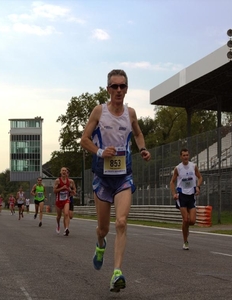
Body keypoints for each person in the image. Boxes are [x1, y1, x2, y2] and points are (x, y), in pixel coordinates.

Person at [80, 69, 151, 292]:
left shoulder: (130, 114)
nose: (118, 90)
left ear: (126, 89)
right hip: (102, 178)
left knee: (121, 222)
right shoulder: (99, 112)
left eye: (122, 86)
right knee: (103, 229)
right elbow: (84, 139)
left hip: (123, 178)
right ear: (108, 89)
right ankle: (100, 245)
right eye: (114, 86)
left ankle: (117, 272)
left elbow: (138, 134)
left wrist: (143, 149)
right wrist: (101, 152)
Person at [170, 148, 202, 250]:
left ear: (189, 156)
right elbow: (172, 182)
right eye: (183, 155)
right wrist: (174, 193)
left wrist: (198, 186)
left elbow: (200, 177)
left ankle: (185, 227)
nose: (185, 157)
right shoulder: (178, 168)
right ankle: (185, 241)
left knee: (192, 221)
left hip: (191, 195)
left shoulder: (193, 166)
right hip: (182, 195)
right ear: (181, 157)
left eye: (187, 155)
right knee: (186, 219)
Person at [53, 167, 72, 236]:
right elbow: (54, 191)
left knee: (66, 213)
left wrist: (70, 190)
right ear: (60, 172)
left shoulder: (69, 181)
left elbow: (71, 190)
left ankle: (66, 229)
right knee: (59, 216)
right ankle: (58, 224)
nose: (64, 172)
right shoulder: (57, 181)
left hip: (66, 200)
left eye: (65, 171)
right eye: (62, 171)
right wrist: (62, 188)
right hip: (59, 200)